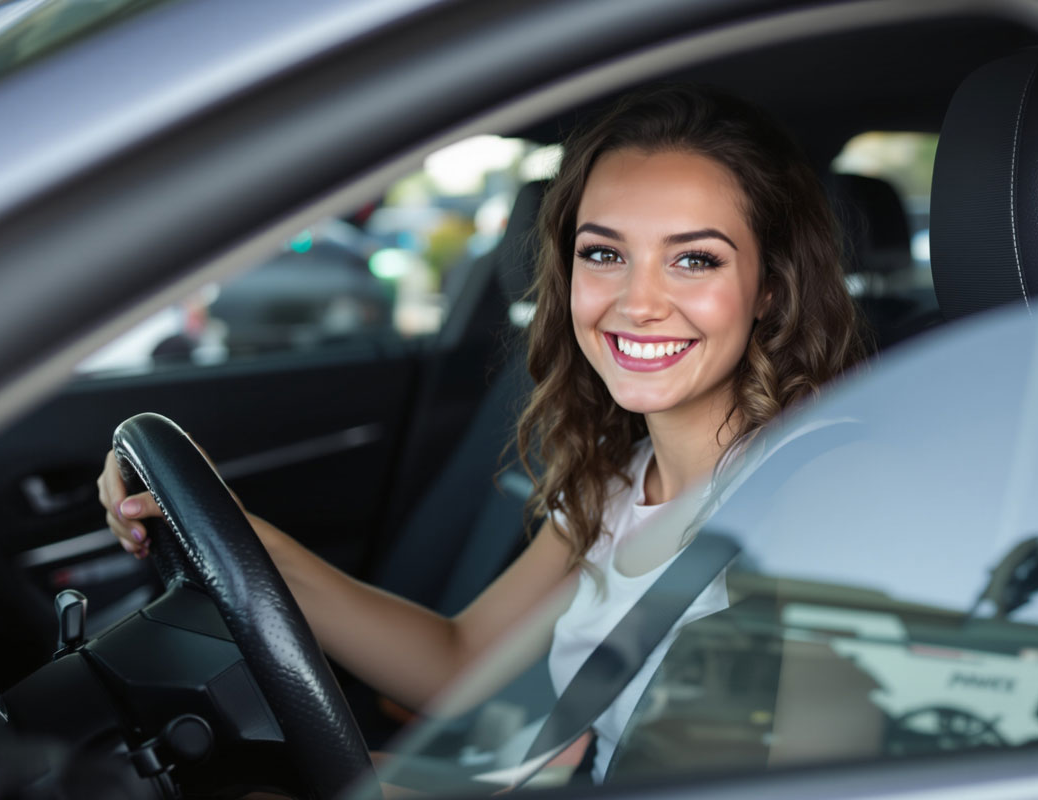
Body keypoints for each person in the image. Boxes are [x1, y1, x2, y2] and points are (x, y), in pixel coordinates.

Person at [96, 84, 865, 784]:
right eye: (604, 254)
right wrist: (228, 528)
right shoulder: (620, 481)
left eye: (694, 260)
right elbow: (459, 663)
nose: (638, 303)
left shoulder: (818, 492)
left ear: (769, 286)